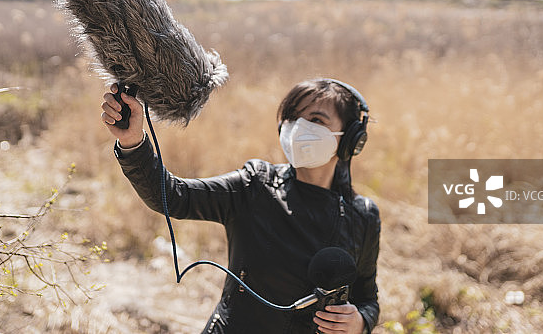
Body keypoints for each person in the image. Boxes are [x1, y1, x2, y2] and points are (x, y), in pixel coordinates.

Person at [101, 78, 380, 334]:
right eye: (293, 118)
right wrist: (132, 142)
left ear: (351, 139)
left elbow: (367, 298)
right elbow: (174, 196)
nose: (300, 128)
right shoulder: (255, 186)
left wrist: (361, 322)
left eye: (317, 119)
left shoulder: (363, 217)